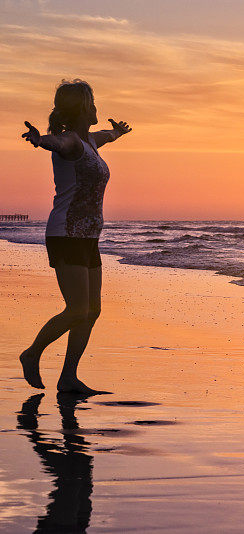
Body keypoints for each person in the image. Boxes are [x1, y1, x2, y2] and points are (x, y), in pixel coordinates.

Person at [19, 79, 131, 395]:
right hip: (65, 235)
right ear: (84, 108)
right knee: (77, 309)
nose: (97, 108)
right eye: (92, 103)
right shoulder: (70, 142)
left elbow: (106, 135)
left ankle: (68, 377)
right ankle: (31, 353)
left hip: (87, 238)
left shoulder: (91, 142)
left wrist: (118, 133)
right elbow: (58, 143)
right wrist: (40, 140)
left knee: (91, 310)